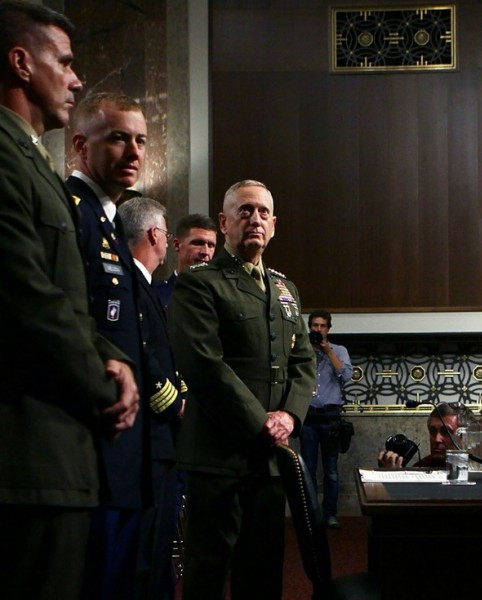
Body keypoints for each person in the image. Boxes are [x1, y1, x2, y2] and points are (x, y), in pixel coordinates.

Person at [0, 3, 138, 599]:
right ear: (21, 63)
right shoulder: (6, 156)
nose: (77, 80)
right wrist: (104, 384)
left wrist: (112, 356)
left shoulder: (30, 160)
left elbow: (66, 301)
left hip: (54, 452)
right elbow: (25, 297)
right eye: (64, 62)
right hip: (27, 452)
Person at [168, 179, 315, 600]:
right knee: (208, 574)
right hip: (218, 457)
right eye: (245, 210)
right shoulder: (200, 283)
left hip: (271, 460)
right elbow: (203, 363)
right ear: (224, 222)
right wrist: (260, 421)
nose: (255, 219)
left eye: (263, 212)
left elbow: (304, 362)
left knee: (262, 574)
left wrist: (289, 416)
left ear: (274, 225)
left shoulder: (285, 289)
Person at [67, 91, 151, 599]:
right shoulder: (72, 212)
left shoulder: (111, 220)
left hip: (122, 444)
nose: (134, 151)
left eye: (140, 140)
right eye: (119, 138)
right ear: (81, 145)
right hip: (94, 434)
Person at [118, 197, 187, 600]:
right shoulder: (132, 284)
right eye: (166, 232)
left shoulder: (138, 283)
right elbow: (145, 359)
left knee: (156, 551)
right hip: (150, 437)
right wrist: (176, 405)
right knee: (148, 550)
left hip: (154, 438)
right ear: (155, 234)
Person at [300, 310, 353, 530]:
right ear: (309, 327)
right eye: (315, 325)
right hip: (308, 417)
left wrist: (327, 350)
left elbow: (346, 376)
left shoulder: (339, 350)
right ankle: (312, 515)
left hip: (331, 417)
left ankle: (330, 513)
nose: (318, 329)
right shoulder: (302, 350)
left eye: (322, 326)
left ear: (328, 329)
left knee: (331, 470)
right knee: (308, 469)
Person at [377, 402, 475, 468]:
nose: (437, 439)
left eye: (446, 432)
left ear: (465, 437)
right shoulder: (421, 467)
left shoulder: (478, 468)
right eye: (433, 431)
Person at [154, 212, 217, 307]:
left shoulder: (221, 297)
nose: (205, 252)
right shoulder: (155, 294)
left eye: (211, 245)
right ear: (177, 245)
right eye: (197, 243)